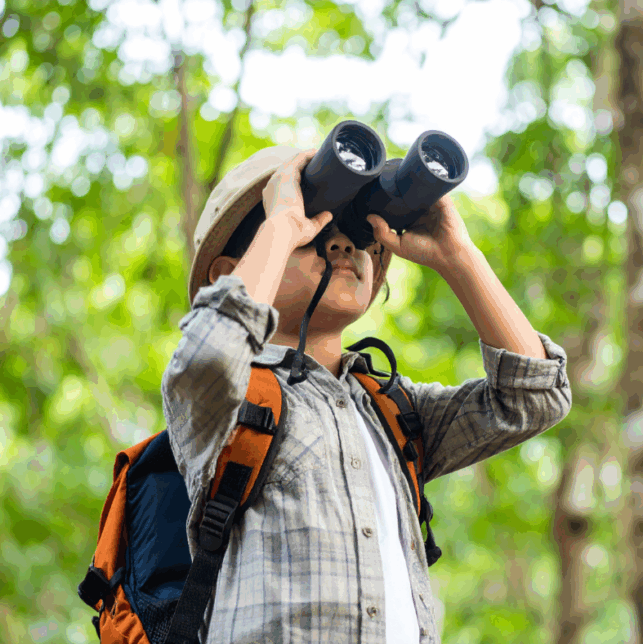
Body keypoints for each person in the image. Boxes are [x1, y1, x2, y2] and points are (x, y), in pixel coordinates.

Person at [161, 145, 572, 644]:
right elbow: (206, 354)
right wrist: (283, 224)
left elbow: (533, 396)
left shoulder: (392, 411)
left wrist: (459, 256)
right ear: (229, 271)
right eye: (313, 232)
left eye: (354, 235)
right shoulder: (230, 399)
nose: (339, 246)